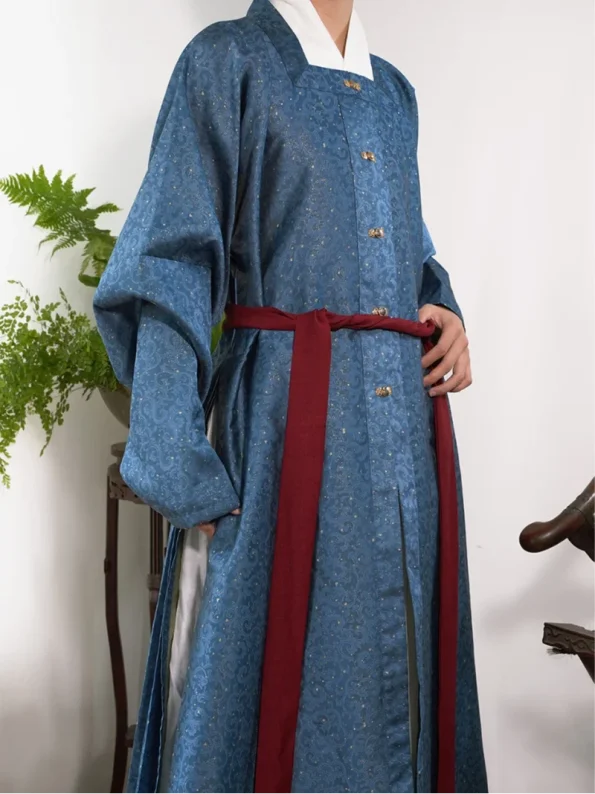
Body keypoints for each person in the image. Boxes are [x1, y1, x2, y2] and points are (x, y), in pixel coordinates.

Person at [94, 0, 488, 792]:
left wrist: (440, 306)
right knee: (263, 680)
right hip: (280, 426)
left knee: (405, 674)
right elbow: (171, 262)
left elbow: (405, 251)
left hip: (404, 444)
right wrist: (172, 452)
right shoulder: (226, 62)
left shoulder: (394, 93)